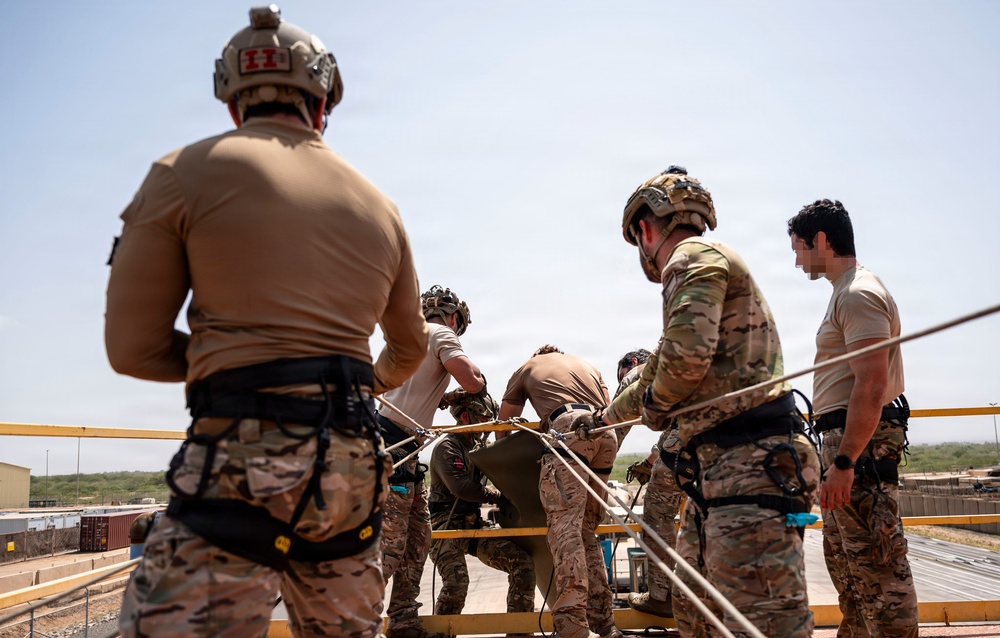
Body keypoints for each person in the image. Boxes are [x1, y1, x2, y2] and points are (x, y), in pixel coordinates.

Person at [105, 6, 428, 637]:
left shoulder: (181, 173)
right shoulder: (380, 206)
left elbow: (132, 347)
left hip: (241, 459)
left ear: (233, 103)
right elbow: (408, 347)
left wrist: (235, 360)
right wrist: (355, 384)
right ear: (322, 100)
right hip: (352, 469)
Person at [577, 166, 820, 637]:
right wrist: (602, 418)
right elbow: (658, 368)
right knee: (694, 613)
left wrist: (650, 410)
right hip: (719, 473)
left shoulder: (690, 259)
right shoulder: (698, 263)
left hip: (750, 465)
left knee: (762, 622)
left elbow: (683, 366)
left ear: (644, 230)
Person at [788, 199, 918, 637]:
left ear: (821, 241)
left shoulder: (859, 293)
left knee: (880, 570)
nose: (796, 259)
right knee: (850, 565)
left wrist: (845, 462)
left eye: (799, 248)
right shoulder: (844, 292)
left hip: (857, 449)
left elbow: (872, 384)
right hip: (844, 444)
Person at [376, 285, 486, 638]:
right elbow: (471, 380)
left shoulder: (406, 340)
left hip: (396, 447)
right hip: (393, 449)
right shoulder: (440, 333)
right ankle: (351, 621)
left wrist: (442, 396)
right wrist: (478, 384)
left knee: (418, 538)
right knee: (390, 548)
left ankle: (404, 619)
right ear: (454, 318)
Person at [498, 346, 621, 638]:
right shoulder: (588, 366)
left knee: (565, 530)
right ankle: (603, 620)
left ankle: (571, 624)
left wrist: (501, 465)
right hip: (606, 432)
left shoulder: (529, 366)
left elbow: (504, 422)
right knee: (586, 531)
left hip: (568, 431)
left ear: (538, 354)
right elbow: (608, 406)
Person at [428, 389, 536, 617]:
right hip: (444, 526)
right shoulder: (448, 447)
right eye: (486, 419)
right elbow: (460, 487)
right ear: (466, 418)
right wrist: (495, 496)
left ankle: (519, 631)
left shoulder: (477, 446)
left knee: (522, 564)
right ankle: (443, 634)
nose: (490, 424)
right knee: (456, 584)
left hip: (472, 525)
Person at [612, 348, 682, 618]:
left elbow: (617, 422)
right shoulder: (675, 368)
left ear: (632, 363)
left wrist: (598, 464)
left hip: (687, 442)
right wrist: (650, 463)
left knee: (657, 514)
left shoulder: (641, 372)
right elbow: (673, 426)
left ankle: (661, 597)